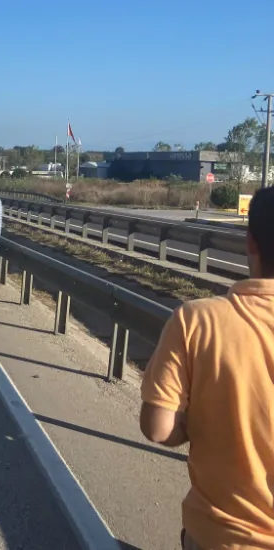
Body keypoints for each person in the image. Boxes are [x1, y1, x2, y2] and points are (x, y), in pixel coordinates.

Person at [141, 187, 274, 550]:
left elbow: (157, 428)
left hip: (219, 535)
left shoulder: (197, 320)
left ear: (251, 243)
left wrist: (193, 423)